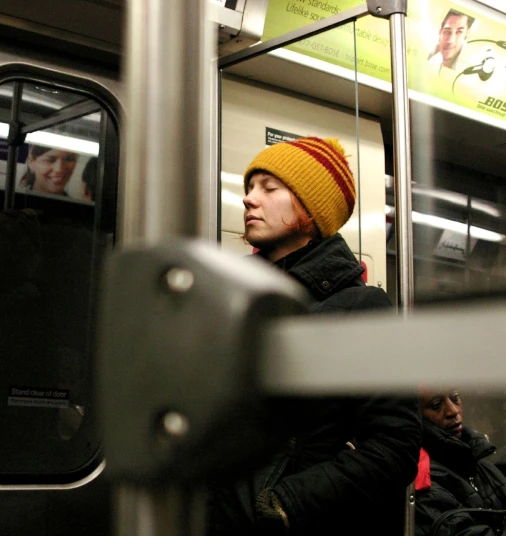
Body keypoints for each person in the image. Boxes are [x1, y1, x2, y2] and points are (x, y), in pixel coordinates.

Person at [207, 137, 422, 536]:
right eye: (250, 188)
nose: (249, 199)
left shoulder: (360, 307)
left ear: (312, 209)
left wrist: (289, 502)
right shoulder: (231, 297)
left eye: (269, 189)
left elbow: (395, 446)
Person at [415, 388, 506, 536]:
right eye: (437, 405)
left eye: (455, 398)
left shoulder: (478, 463)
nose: (453, 411)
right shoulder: (422, 479)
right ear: (415, 416)